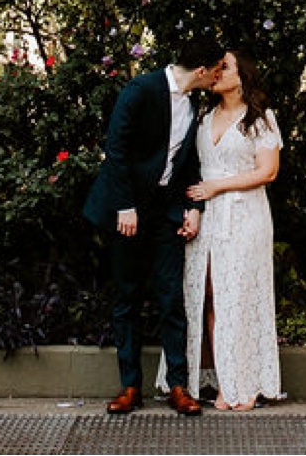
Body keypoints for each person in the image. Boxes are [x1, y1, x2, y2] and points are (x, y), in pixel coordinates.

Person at [82, 39, 226, 416]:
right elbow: (116, 150)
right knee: (127, 298)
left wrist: (193, 206)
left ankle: (178, 385)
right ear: (201, 71)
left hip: (166, 214)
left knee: (171, 298)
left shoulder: (193, 101)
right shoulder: (141, 90)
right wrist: (125, 207)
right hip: (126, 211)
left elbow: (187, 159)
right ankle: (130, 386)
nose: (218, 77)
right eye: (216, 70)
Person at [183, 51, 284, 411]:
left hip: (245, 216)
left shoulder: (260, 119)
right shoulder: (203, 118)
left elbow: (267, 171)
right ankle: (222, 378)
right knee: (210, 296)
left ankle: (242, 384)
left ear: (242, 77)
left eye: (224, 67)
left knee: (237, 297)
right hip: (208, 217)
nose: (216, 72)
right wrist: (195, 208)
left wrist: (218, 187)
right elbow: (193, 169)